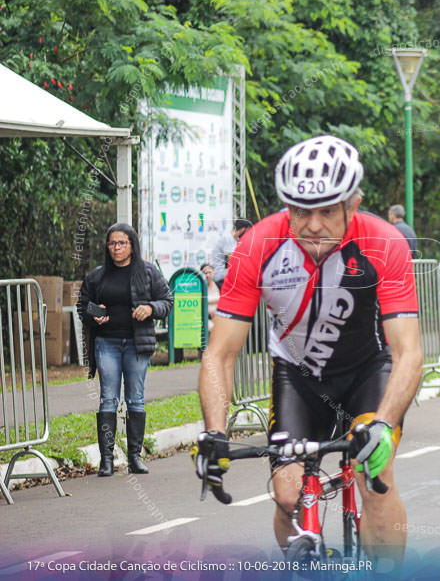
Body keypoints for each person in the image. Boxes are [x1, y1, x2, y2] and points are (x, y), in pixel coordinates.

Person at [195, 135, 422, 562]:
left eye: (326, 211)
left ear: (353, 204)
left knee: (376, 470)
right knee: (286, 495)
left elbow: (408, 352)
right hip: (298, 377)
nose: (312, 224)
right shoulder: (258, 246)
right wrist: (214, 432)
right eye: (299, 210)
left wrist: (384, 424)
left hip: (367, 373)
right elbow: (220, 355)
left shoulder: (383, 243)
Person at [77, 223, 172, 477]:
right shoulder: (98, 275)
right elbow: (83, 305)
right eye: (112, 243)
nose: (116, 248)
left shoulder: (148, 272)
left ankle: (134, 457)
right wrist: (96, 314)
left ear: (132, 245)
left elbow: (167, 301)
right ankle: (106, 460)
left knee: (136, 398)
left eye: (122, 243)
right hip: (106, 343)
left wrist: (151, 308)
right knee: (108, 397)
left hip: (137, 344)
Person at [210, 218, 253, 290]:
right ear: (242, 230)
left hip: (224, 276)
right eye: (248, 232)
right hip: (222, 277)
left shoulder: (233, 239)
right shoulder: (228, 238)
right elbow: (233, 259)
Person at [200, 263, 220, 331]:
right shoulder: (199, 288)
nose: (207, 275)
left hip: (220, 318)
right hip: (205, 320)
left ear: (213, 273)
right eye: (205, 273)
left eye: (210, 272)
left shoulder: (219, 285)